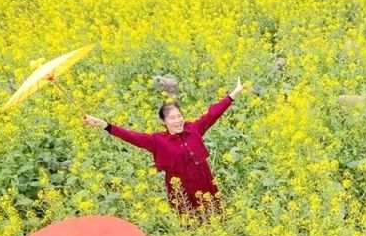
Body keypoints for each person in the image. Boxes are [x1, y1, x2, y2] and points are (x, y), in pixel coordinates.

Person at [83, 79, 245, 212]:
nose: (177, 121)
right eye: (172, 118)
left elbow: (213, 113)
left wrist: (233, 94)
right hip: (182, 186)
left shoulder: (194, 128)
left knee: (213, 211)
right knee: (191, 215)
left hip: (203, 178)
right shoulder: (158, 140)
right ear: (164, 121)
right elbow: (131, 136)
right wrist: (104, 124)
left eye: (179, 116)